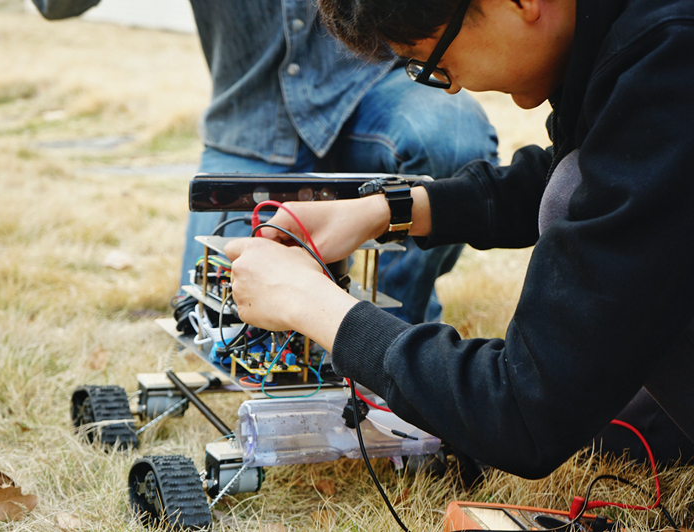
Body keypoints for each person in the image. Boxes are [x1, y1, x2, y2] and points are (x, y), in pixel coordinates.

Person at [224, 0, 694, 477]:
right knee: (609, 416)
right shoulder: (636, 36)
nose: (452, 88)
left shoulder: (672, 59)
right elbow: (617, 174)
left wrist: (310, 303)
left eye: (435, 65)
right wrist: (386, 211)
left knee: (566, 194)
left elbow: (522, 412)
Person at [30, 0, 499, 325]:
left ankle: (398, 333)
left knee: (455, 138)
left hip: (373, 91)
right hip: (250, 121)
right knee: (214, 328)